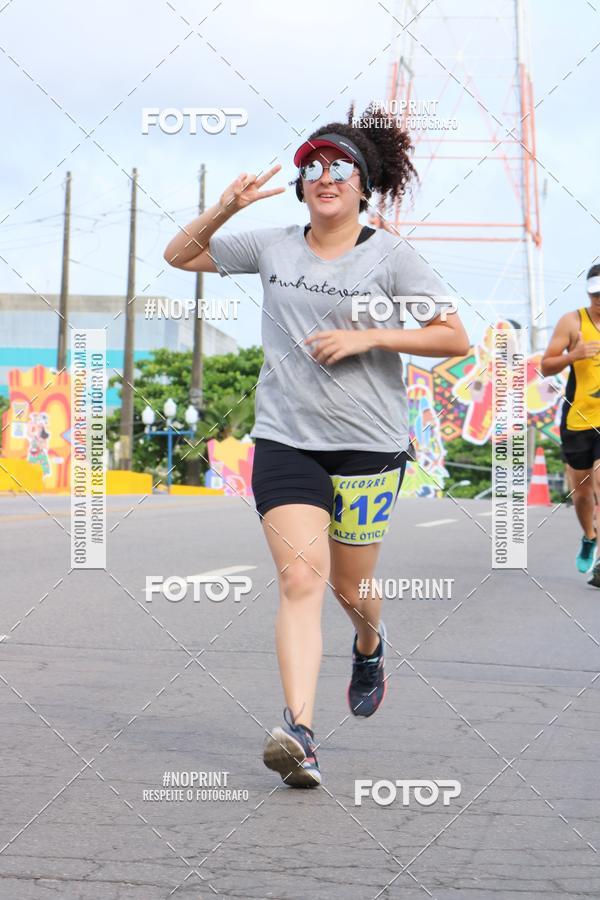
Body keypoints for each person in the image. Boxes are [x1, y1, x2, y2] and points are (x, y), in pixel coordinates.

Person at [164, 102, 470, 788]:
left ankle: (369, 643)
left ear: (364, 185)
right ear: (301, 184)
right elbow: (179, 255)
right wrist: (224, 207)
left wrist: (371, 336)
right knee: (299, 578)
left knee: (349, 586)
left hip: (368, 445)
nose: (324, 177)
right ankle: (300, 734)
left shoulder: (393, 257)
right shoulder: (272, 245)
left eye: (339, 168)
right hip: (286, 441)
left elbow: (454, 338)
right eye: (312, 168)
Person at [541, 264, 600, 583]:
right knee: (582, 492)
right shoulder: (572, 321)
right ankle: (589, 536)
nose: (599, 298)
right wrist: (572, 355)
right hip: (579, 419)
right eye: (595, 292)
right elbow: (546, 366)